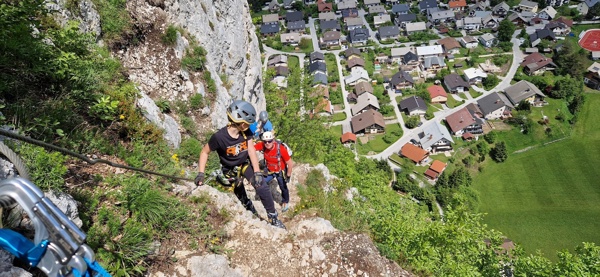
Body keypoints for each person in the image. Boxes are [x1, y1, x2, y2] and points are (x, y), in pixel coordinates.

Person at [194, 100, 285, 229]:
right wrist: (201, 173)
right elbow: (204, 152)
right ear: (242, 124)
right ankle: (250, 210)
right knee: (240, 193)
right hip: (229, 170)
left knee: (262, 186)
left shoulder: (245, 133)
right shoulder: (219, 137)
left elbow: (251, 150)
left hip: (243, 165)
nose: (249, 126)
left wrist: (257, 172)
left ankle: (273, 217)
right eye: (247, 124)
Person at [254, 131, 293, 212]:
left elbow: (290, 163)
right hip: (269, 170)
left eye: (269, 141)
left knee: (283, 187)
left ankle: (285, 202)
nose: (267, 143)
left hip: (280, 171)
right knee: (261, 183)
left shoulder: (281, 149)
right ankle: (263, 197)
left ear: (273, 140)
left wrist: (288, 175)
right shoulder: (263, 145)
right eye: (265, 141)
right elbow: (252, 148)